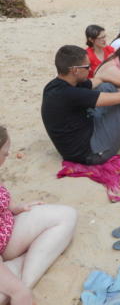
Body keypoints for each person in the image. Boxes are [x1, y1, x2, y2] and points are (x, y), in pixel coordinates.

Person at [41, 45, 120, 165]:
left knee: (106, 87)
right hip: (90, 152)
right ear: (75, 70)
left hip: (82, 133)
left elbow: (100, 79)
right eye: (87, 66)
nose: (90, 69)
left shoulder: (57, 84)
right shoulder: (71, 94)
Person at [0, 126, 77, 305]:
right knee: (7, 294)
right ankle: (18, 280)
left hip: (6, 232)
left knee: (66, 216)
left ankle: (24, 280)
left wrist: (15, 207)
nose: (8, 156)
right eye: (4, 153)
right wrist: (18, 292)